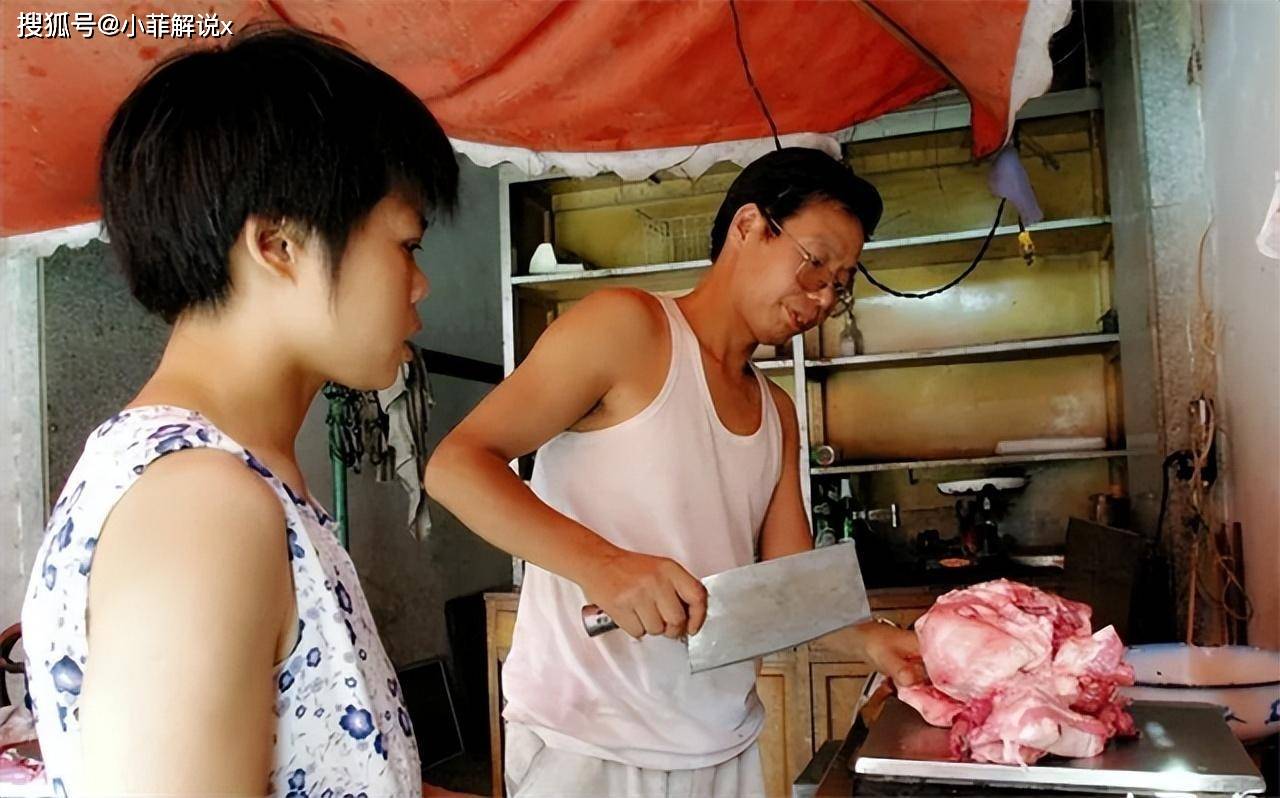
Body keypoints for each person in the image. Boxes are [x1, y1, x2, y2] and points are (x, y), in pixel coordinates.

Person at [22, 26, 466, 796]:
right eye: (406, 245)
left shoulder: (239, 484)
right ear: (278, 243)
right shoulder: (202, 506)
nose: (419, 285)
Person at [425, 147, 926, 797]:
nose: (825, 294)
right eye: (816, 261)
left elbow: (787, 582)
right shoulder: (627, 329)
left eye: (842, 281)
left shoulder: (776, 411)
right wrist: (603, 565)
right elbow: (457, 466)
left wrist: (873, 641)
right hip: (592, 742)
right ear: (749, 226)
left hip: (723, 741)